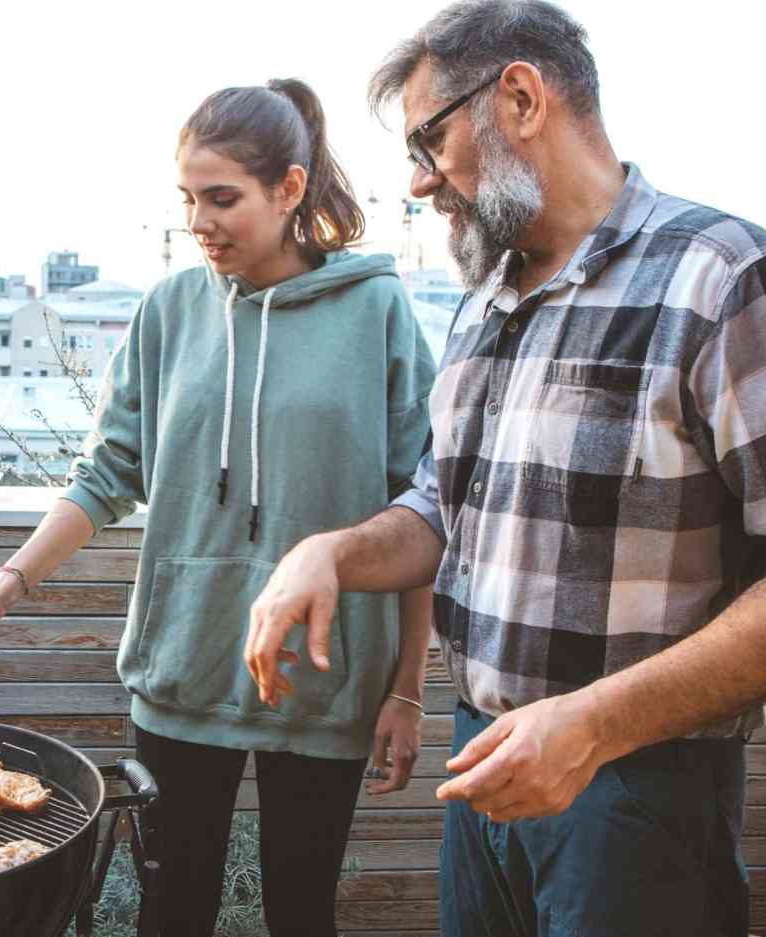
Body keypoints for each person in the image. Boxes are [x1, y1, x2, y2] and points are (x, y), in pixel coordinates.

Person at [242, 2, 766, 935]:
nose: (416, 180)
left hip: (640, 795)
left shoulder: (720, 278)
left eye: (428, 141)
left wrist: (596, 724)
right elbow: (441, 506)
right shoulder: (483, 300)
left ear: (520, 97)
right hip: (478, 761)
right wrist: (333, 553)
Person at [0, 78, 436, 937]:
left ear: (290, 188)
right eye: (188, 198)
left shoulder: (376, 309)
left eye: (223, 198)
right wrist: (4, 587)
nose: (199, 222)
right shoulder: (167, 311)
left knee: (302, 914)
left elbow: (420, 510)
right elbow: (105, 474)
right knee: (172, 912)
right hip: (183, 665)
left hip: (325, 673)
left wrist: (410, 691)